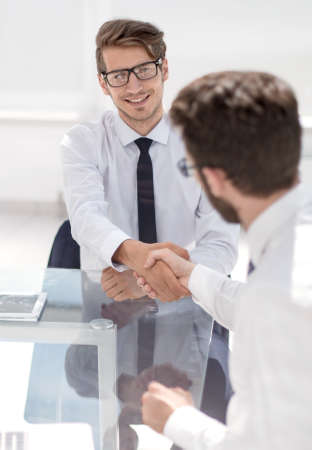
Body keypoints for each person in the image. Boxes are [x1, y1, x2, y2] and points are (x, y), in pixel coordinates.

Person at [61, 17, 238, 429]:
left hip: (188, 300)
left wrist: (144, 278)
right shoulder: (82, 142)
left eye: (144, 70)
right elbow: (86, 218)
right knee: (78, 376)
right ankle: (122, 418)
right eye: (119, 75)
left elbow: (221, 244)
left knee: (214, 396)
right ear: (104, 83)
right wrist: (139, 261)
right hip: (109, 304)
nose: (134, 87)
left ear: (164, 68)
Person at [139, 71, 312, 449]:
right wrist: (194, 277)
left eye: (190, 169)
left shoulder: (276, 300)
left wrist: (176, 420)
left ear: (214, 178)